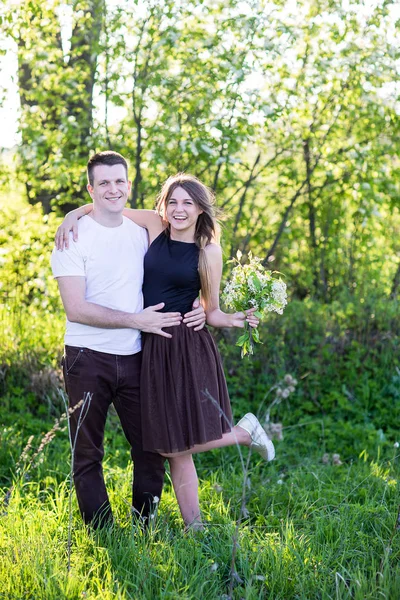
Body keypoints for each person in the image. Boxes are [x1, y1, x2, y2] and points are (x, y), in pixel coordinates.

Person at [57, 171, 275, 531]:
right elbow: (107, 206)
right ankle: (196, 525)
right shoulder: (155, 227)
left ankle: (241, 437)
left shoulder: (208, 251)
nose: (178, 209)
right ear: (164, 205)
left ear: (201, 210)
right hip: (148, 345)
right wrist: (71, 215)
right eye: (172, 201)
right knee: (172, 442)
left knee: (173, 443)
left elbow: (212, 310)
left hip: (184, 347)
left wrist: (233, 320)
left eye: (188, 203)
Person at [51, 151, 206, 528]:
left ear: (129, 185)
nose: (112, 189)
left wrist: (201, 305)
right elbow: (76, 309)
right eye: (103, 182)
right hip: (86, 357)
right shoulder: (71, 237)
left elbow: (181, 268)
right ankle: (102, 532)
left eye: (119, 181)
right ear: (90, 189)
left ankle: (144, 525)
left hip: (139, 355)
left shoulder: (145, 231)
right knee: (87, 453)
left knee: (152, 447)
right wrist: (135, 319)